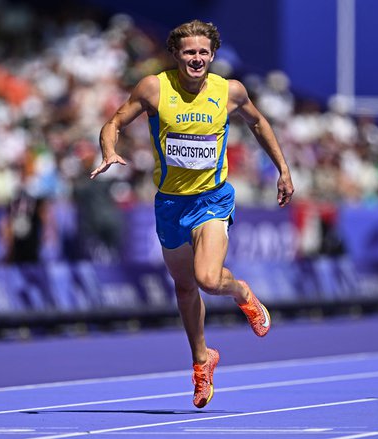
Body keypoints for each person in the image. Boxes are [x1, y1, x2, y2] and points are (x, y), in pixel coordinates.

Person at [90, 19, 294, 407]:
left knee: (207, 278)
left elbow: (258, 122)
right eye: (189, 53)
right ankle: (202, 360)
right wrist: (108, 149)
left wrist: (283, 170)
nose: (196, 59)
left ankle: (241, 291)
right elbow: (114, 121)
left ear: (212, 55)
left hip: (211, 199)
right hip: (169, 202)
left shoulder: (229, 91)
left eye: (203, 52)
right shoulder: (154, 87)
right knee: (184, 288)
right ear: (176, 56)